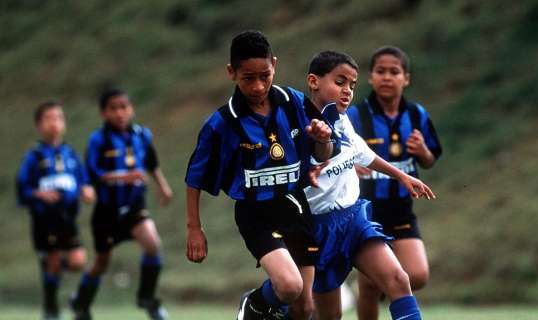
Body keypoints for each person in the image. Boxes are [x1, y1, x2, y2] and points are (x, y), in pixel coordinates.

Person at [184, 30, 333, 320]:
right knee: (289, 286)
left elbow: (323, 153)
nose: (258, 86)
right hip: (256, 214)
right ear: (231, 73)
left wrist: (322, 139)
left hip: (295, 206)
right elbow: (195, 178)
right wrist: (194, 228)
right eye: (248, 78)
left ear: (274, 65)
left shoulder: (294, 102)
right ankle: (253, 305)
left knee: (304, 308)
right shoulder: (222, 123)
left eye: (265, 75)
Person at [301, 51, 434, 320]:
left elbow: (363, 154)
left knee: (399, 280)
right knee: (329, 315)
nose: (347, 91)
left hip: (353, 219)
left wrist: (402, 176)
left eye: (351, 84)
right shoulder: (297, 123)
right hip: (318, 228)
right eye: (340, 82)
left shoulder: (343, 119)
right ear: (314, 81)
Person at [347, 46, 442, 320]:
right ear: (370, 78)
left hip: (401, 209)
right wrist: (351, 165)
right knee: (371, 285)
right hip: (367, 211)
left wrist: (423, 150)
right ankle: (369, 285)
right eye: (380, 71)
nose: (387, 77)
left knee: (418, 275)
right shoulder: (356, 116)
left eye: (394, 72)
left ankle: (374, 281)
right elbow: (337, 153)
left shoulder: (416, 115)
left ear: (406, 78)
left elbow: (429, 160)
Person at [69, 89, 173, 320]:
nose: (120, 113)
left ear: (131, 109)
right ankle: (80, 303)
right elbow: (92, 173)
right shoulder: (99, 139)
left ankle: (148, 299)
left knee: (152, 244)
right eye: (113, 108)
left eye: (124, 107)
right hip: (107, 212)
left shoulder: (141, 135)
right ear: (104, 113)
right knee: (101, 262)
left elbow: (151, 163)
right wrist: (120, 177)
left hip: (134, 205)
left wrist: (162, 186)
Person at [16, 101, 96, 320]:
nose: (55, 123)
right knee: (52, 258)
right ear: (39, 125)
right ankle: (51, 308)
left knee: (78, 261)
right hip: (44, 219)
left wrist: (87, 190)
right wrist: (39, 194)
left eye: (59, 118)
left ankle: (54, 278)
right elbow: (23, 188)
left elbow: (83, 181)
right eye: (49, 118)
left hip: (67, 219)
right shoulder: (34, 157)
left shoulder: (70, 154)